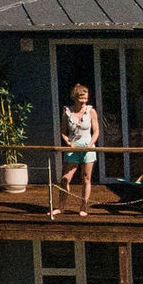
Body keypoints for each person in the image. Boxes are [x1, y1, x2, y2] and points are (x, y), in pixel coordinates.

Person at [52, 82, 99, 218]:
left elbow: (96, 131)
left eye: (85, 98)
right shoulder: (67, 112)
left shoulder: (91, 111)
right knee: (65, 179)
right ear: (75, 97)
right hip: (73, 147)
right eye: (81, 99)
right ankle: (61, 207)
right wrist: (67, 142)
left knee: (86, 178)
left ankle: (83, 207)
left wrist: (91, 144)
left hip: (87, 147)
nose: (84, 101)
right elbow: (63, 131)